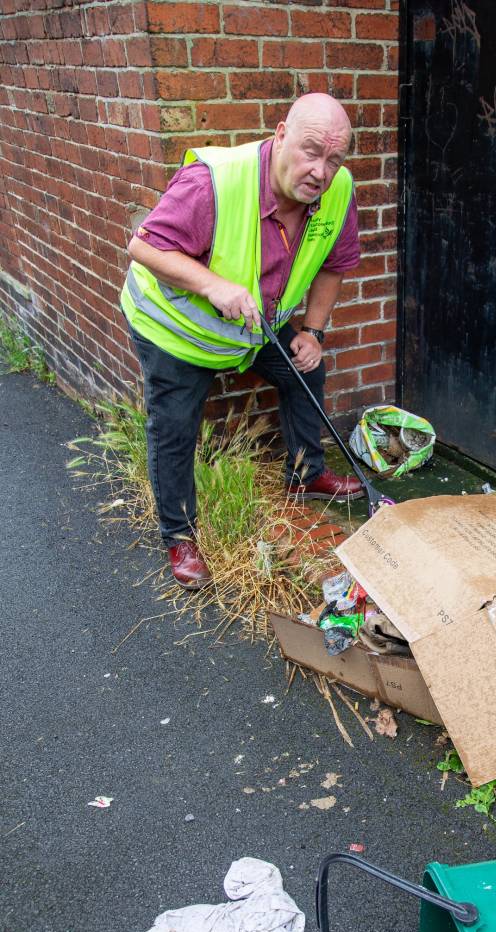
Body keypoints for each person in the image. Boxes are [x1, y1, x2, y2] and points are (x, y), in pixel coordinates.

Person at [121, 92, 364, 589]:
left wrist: (313, 332)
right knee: (175, 430)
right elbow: (143, 244)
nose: (320, 171)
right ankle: (179, 537)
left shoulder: (337, 191)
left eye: (333, 159)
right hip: (177, 330)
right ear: (279, 136)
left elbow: (336, 265)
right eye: (310, 150)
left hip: (254, 325)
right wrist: (213, 284)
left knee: (306, 368)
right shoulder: (215, 182)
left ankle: (306, 473)